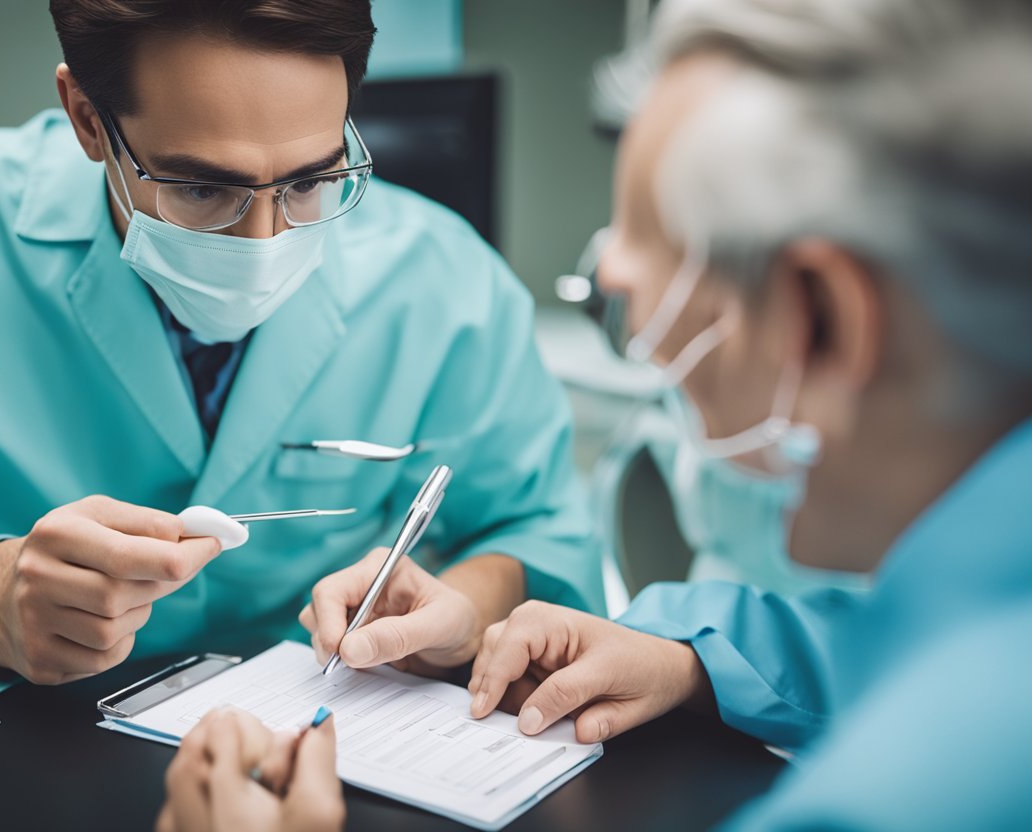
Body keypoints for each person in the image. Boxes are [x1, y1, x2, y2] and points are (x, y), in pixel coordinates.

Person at [160, 0, 1032, 828]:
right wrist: (691, 665)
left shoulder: (890, 804)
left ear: (828, 318)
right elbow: (870, 651)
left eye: (636, 301)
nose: (616, 288)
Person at [0, 0, 602, 706]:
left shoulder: (445, 279)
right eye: (200, 190)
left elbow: (542, 531)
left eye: (311, 180)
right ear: (88, 119)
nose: (264, 244)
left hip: (325, 735)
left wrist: (457, 600)